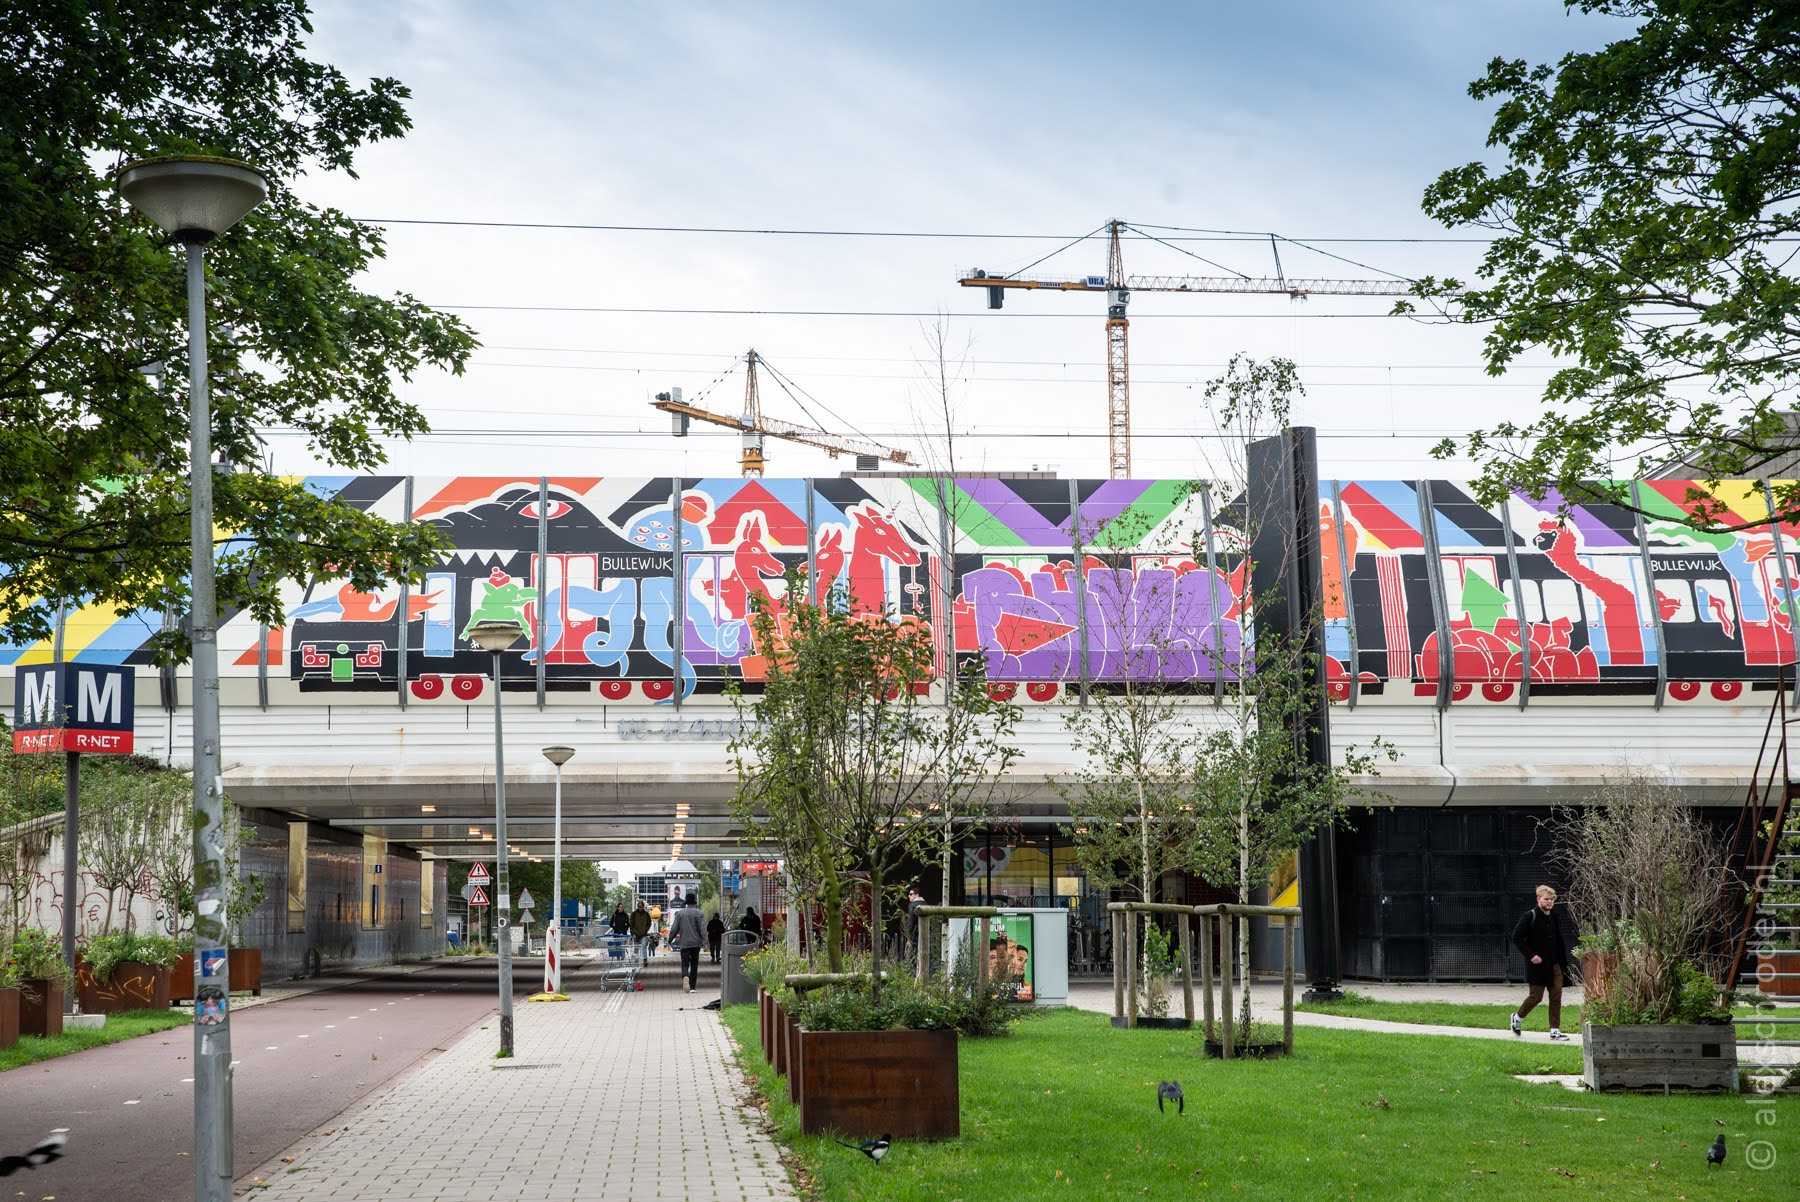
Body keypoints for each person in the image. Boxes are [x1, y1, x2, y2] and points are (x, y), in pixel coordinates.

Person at [1510, 884, 1573, 1040]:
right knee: (1536, 997)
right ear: (1538, 899)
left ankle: (1554, 1030)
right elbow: (1516, 937)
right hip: (1538, 965)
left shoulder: (1554, 917)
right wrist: (1531, 955)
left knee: (1556, 995)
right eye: (1546, 899)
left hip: (1555, 963)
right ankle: (1517, 1018)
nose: (1549, 902)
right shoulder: (1529, 916)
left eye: (1552, 899)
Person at [670, 892, 707, 992]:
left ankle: (685, 975)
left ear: (686, 902)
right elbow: (703, 929)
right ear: (694, 902)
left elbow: (674, 928)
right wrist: (705, 943)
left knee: (685, 963)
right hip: (696, 943)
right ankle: (693, 987)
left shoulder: (680, 913)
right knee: (694, 964)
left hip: (684, 943)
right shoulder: (699, 913)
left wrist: (670, 939)